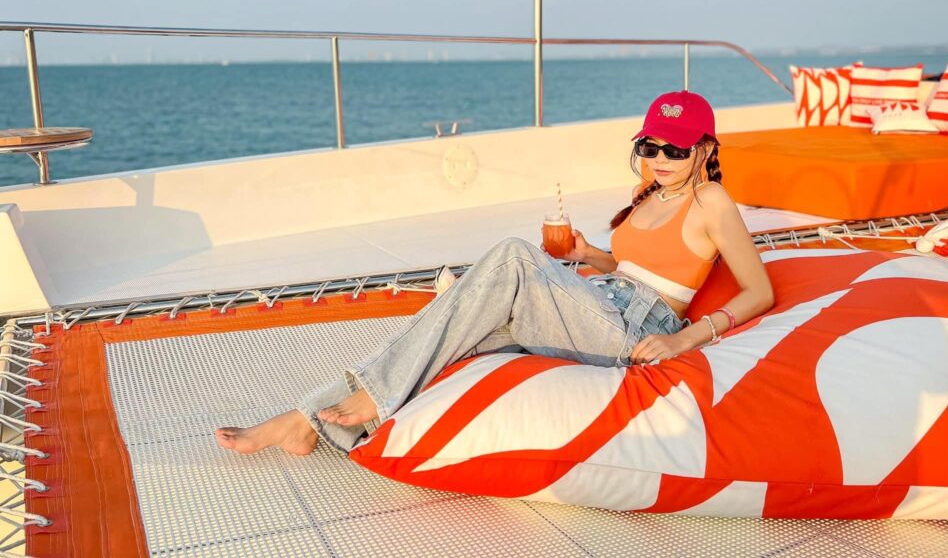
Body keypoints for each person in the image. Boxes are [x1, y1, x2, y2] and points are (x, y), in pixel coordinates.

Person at [215, 91, 774, 457]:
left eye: (675, 149)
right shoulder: (647, 191)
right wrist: (590, 254)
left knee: (510, 257)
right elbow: (633, 264)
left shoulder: (711, 200)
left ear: (704, 148)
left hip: (636, 328)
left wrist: (684, 340)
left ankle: (363, 402)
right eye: (651, 146)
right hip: (597, 300)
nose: (661, 158)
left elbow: (759, 291)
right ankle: (305, 419)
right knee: (452, 327)